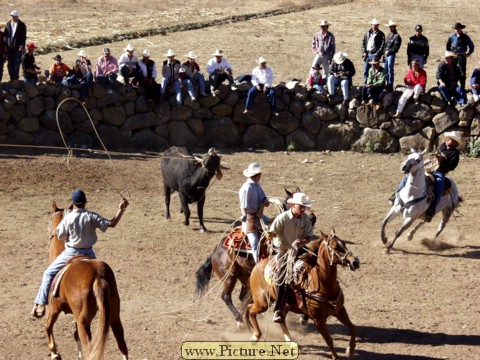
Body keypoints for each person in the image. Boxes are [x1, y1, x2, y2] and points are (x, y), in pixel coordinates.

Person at [31, 190, 129, 318]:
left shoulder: (68, 218)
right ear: (85, 202)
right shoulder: (91, 216)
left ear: (73, 203)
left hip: (70, 253)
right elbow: (112, 223)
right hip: (89, 253)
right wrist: (121, 209)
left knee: (48, 273)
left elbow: (60, 235)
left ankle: (40, 302)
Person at [269, 192, 314, 323]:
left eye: (304, 207)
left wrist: (301, 242)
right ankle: (278, 310)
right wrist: (269, 237)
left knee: (316, 266)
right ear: (292, 205)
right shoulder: (282, 218)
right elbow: (272, 232)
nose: (303, 209)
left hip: (300, 248)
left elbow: (309, 236)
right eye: (301, 206)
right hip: (284, 250)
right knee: (283, 276)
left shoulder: (305, 219)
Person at [424, 131, 462, 222]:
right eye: (449, 138)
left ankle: (431, 211)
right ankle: (396, 196)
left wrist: (442, 162)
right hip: (430, 167)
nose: (449, 140)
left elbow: (451, 167)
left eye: (452, 140)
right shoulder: (442, 146)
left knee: (439, 187)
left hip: (440, 172)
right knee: (412, 173)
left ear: (455, 143)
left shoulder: (455, 154)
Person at [239, 162, 270, 263]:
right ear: (256, 175)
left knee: (273, 226)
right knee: (254, 242)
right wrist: (245, 218)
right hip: (250, 218)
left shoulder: (257, 185)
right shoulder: (246, 188)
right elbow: (243, 207)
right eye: (259, 174)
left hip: (259, 215)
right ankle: (257, 264)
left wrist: (265, 201)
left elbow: (264, 197)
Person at [446, 22, 474, 91]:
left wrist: (468, 54)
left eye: (458, 28)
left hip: (461, 56)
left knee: (462, 72)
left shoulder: (465, 37)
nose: (457, 30)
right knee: (453, 71)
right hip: (454, 56)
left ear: (461, 29)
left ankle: (462, 87)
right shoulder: (452, 36)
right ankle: (453, 87)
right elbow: (447, 46)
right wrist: (450, 54)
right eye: (456, 29)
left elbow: (471, 46)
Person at [4, 10, 27, 81]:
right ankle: (11, 78)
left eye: (14, 16)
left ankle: (15, 78)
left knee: (17, 64)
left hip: (18, 48)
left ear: (17, 16)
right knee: (10, 64)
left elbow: (23, 37)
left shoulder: (22, 25)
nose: (13, 18)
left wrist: (22, 46)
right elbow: (5, 36)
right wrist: (5, 45)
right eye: (12, 16)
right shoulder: (8, 24)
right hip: (9, 47)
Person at [361, 18, 385, 84]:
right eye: (373, 25)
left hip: (375, 54)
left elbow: (382, 45)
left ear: (378, 25)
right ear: (371, 25)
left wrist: (377, 54)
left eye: (375, 25)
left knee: (374, 70)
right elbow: (363, 43)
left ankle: (373, 85)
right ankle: (365, 84)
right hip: (368, 53)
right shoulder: (367, 33)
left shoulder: (381, 34)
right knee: (366, 70)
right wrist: (364, 52)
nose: (374, 26)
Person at [383, 20, 402, 91]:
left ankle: (390, 84)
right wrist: (383, 53)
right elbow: (385, 45)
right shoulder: (389, 35)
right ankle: (386, 83)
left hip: (391, 55)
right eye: (390, 27)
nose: (390, 28)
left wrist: (389, 51)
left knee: (390, 69)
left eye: (391, 27)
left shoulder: (397, 36)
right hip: (386, 54)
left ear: (394, 27)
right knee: (385, 70)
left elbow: (396, 47)